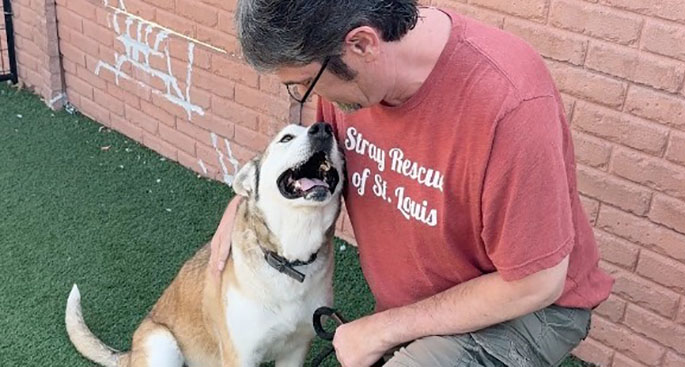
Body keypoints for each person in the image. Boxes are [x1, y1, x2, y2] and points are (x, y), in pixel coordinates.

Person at [209, 1, 614, 366]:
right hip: (422, 305)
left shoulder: (509, 104)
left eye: (300, 84)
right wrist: (248, 201)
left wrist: (384, 329)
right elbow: (309, 168)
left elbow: (537, 283)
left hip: (528, 309)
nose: (302, 97)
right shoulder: (349, 74)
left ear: (363, 44)